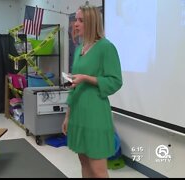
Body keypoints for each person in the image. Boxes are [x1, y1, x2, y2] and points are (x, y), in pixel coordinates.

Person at [62, 4, 123, 178]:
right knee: (83, 161)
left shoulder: (106, 47)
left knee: (98, 169)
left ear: (91, 22)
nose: (75, 24)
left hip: (96, 114)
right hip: (78, 113)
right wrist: (68, 115)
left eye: (80, 20)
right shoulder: (80, 49)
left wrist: (87, 78)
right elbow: (75, 84)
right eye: (75, 19)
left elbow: (115, 81)